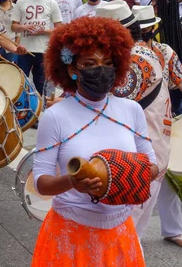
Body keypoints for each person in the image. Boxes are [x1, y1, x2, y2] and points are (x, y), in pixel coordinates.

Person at [32, 15, 158, 266]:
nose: (101, 70)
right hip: (70, 236)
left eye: (108, 62)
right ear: (71, 69)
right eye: (90, 63)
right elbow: (41, 184)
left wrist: (120, 175)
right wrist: (72, 181)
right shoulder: (55, 116)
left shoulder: (131, 110)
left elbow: (152, 167)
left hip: (120, 234)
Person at [95, 1, 171, 241]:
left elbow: (111, 107)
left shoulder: (134, 61)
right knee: (129, 234)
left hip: (139, 160)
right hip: (147, 152)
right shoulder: (137, 53)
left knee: (122, 234)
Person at [131, 5, 182, 246]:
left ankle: (139, 237)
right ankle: (128, 239)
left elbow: (180, 82)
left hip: (159, 120)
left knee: (161, 174)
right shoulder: (125, 53)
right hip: (135, 121)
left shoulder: (165, 52)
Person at [12, 0, 63, 95]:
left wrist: (43, 31)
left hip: (43, 50)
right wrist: (25, 27)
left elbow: (59, 29)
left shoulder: (51, 3)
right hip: (25, 49)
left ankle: (41, 108)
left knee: (41, 84)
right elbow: (13, 26)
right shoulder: (21, 2)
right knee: (21, 82)